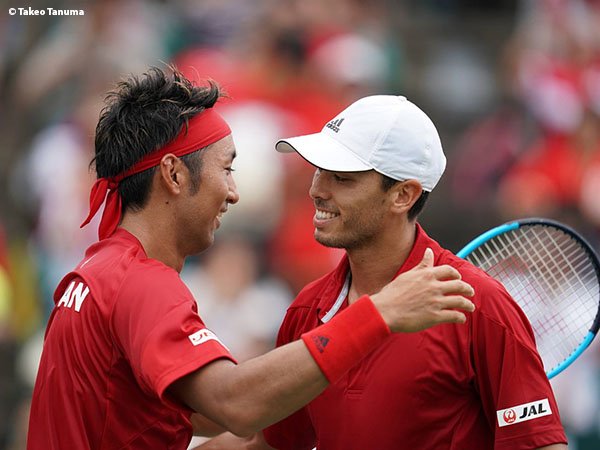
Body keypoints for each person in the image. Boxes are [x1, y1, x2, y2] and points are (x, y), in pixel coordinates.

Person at [26, 67, 477, 449]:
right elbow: (234, 404)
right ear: (174, 174)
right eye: (227, 168)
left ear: (405, 195)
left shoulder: (94, 273)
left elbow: (202, 417)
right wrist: (378, 315)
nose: (234, 193)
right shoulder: (141, 284)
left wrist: (328, 378)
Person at [198, 95, 569, 449]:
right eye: (319, 171)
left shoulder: (479, 305)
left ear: (403, 195)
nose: (317, 190)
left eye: (342, 178)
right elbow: (270, 443)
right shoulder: (306, 309)